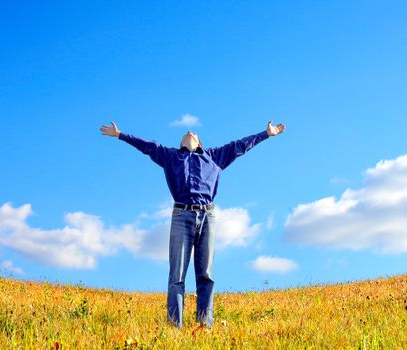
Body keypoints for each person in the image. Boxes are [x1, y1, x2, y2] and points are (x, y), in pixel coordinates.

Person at [100, 120, 285, 329]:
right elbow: (147, 147)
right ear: (181, 143)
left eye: (194, 133)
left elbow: (240, 146)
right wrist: (120, 135)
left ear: (199, 143)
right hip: (182, 215)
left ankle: (204, 326)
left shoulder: (214, 156)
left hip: (208, 216)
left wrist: (266, 134)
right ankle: (174, 327)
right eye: (186, 134)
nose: (189, 132)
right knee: (177, 275)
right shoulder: (170, 157)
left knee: (205, 275)